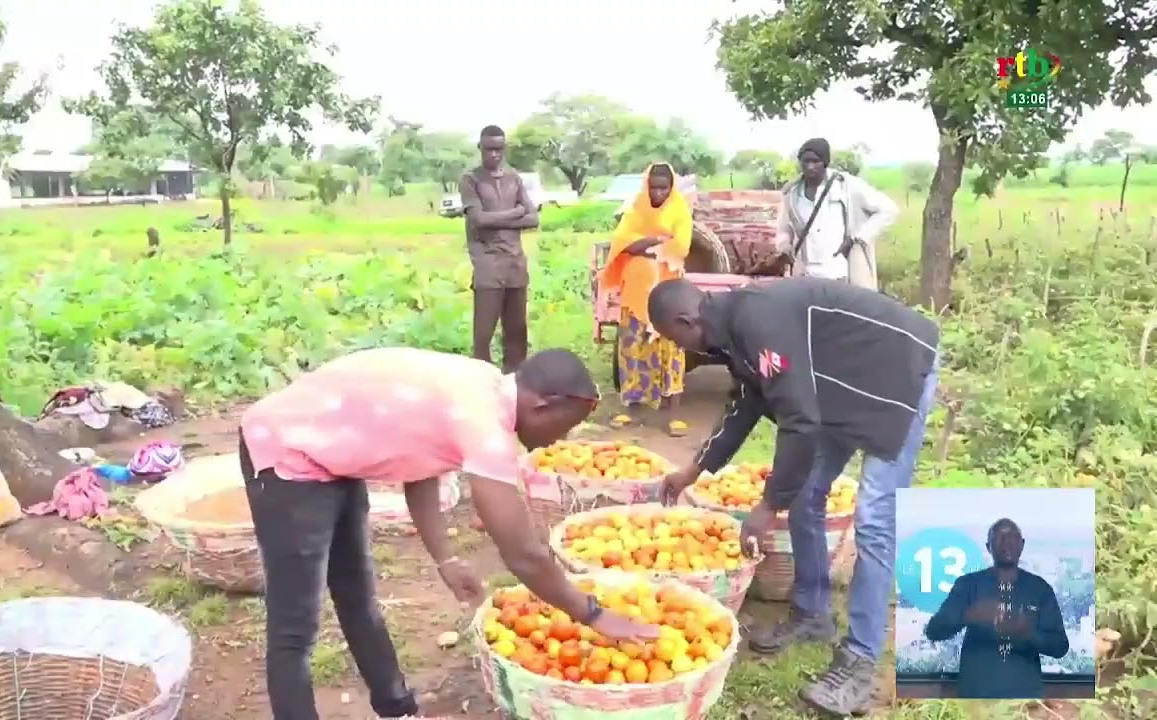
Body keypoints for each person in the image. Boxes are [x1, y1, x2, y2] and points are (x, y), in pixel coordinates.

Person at [238, 346, 659, 720]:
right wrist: (594, 615)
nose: (560, 439)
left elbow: (420, 462)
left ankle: (397, 710)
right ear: (543, 406)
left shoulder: (487, 386)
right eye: (564, 426)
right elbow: (523, 554)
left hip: (331, 451)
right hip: (287, 449)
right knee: (295, 625)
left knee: (357, 594)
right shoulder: (483, 421)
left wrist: (446, 557)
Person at [647, 276, 941, 716]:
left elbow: (799, 422)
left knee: (875, 521)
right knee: (805, 493)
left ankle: (860, 662)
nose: (681, 350)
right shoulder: (731, 333)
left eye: (675, 340)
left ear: (686, 322)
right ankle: (813, 613)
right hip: (843, 384)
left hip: (898, 371)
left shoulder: (756, 319)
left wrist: (768, 506)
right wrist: (694, 470)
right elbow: (746, 404)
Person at [924, 519, 1070, 699]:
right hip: (975, 695)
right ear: (988, 546)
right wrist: (968, 616)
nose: (1007, 542)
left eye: (1013, 536)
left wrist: (1028, 634)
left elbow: (1060, 647)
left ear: (1022, 544)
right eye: (1000, 537)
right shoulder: (968, 585)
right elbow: (933, 631)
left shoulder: (1040, 589)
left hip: (1025, 696)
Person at [599, 162, 691, 437]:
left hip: (668, 294)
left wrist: (641, 244)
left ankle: (672, 414)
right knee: (632, 349)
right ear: (646, 186)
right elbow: (622, 242)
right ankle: (632, 409)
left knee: (671, 350)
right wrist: (657, 239)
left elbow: (681, 246)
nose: (658, 193)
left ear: (671, 188)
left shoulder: (679, 210)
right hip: (635, 294)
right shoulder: (636, 208)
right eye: (654, 187)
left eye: (664, 188)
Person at [459, 125, 540, 372]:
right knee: (483, 335)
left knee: (516, 333)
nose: (494, 154)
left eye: (499, 149)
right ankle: (482, 381)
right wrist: (516, 212)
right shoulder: (470, 180)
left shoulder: (513, 179)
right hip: (488, 265)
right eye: (489, 149)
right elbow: (478, 220)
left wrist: (499, 219)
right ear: (480, 148)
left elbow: (533, 219)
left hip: (515, 264)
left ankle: (514, 381)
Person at [769, 137, 899, 290]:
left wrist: (857, 237)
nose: (810, 166)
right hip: (806, 275)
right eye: (806, 161)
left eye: (815, 161)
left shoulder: (847, 186)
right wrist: (785, 247)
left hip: (839, 273)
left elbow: (888, 210)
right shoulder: (792, 194)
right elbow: (784, 229)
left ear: (825, 162)